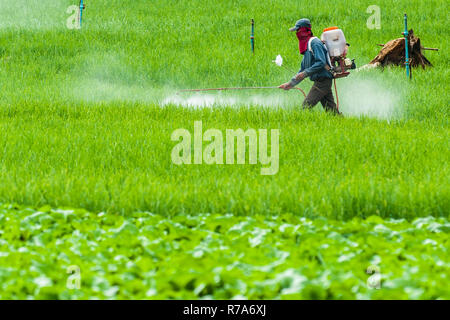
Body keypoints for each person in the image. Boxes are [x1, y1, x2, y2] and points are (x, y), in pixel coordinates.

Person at [279, 18, 341, 115]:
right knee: (331, 111)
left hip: (323, 80)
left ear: (304, 30)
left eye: (298, 30)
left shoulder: (314, 43)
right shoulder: (307, 47)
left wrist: (306, 73)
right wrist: (290, 84)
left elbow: (321, 62)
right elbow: (302, 70)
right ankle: (340, 122)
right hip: (321, 81)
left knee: (306, 107)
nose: (297, 33)